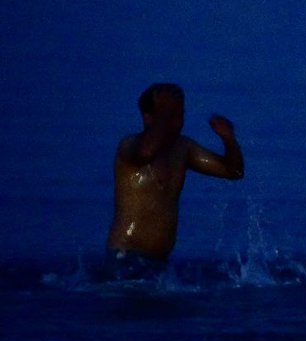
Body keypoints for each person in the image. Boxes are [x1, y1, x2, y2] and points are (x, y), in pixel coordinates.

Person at [103, 83, 244, 278]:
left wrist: (229, 139)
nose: (177, 123)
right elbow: (146, 153)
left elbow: (234, 171)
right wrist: (164, 112)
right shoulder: (129, 145)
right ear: (148, 117)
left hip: (159, 262)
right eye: (169, 116)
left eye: (180, 115)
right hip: (125, 257)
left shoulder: (183, 149)